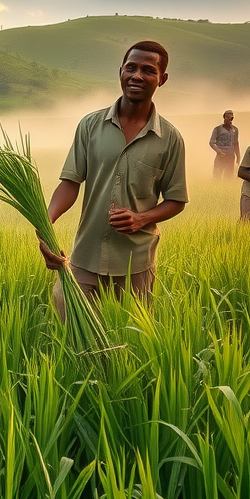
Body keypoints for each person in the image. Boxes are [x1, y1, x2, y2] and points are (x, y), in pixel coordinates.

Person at [39, 41, 187, 306]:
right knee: (71, 330)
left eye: (148, 70)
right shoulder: (90, 125)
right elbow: (70, 182)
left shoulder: (170, 139)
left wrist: (142, 218)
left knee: (131, 341)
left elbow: (176, 200)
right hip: (85, 257)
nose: (137, 76)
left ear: (162, 79)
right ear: (120, 72)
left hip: (136, 265)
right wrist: (46, 224)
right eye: (131, 68)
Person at [209, 110, 240, 179]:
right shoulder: (217, 129)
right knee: (217, 176)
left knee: (228, 176)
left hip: (231, 157)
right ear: (224, 117)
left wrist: (238, 156)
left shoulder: (235, 129)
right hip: (221, 157)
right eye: (226, 117)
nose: (228, 119)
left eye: (230, 117)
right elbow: (212, 142)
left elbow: (236, 143)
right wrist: (219, 151)